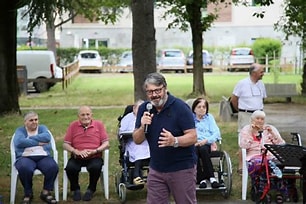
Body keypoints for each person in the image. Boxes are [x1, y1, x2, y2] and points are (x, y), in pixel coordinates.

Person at [133, 72, 197, 204]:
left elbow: (193, 137)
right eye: (150, 92)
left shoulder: (180, 107)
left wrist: (175, 141)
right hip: (156, 169)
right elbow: (137, 139)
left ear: (165, 88)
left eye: (158, 90)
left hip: (181, 169)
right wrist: (142, 127)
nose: (155, 95)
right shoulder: (145, 108)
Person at [63, 106, 109, 201]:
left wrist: (95, 150)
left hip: (94, 155)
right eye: (82, 115)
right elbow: (65, 144)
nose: (85, 117)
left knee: (95, 167)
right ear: (78, 116)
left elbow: (106, 143)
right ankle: (76, 189)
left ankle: (91, 189)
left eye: (88, 114)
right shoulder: (73, 126)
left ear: (91, 115)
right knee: (70, 168)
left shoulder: (99, 125)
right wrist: (76, 151)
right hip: (77, 156)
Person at [239, 110, 287, 201]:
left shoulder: (268, 129)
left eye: (262, 119)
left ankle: (279, 192)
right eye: (257, 118)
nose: (260, 121)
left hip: (269, 156)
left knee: (278, 164)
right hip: (254, 156)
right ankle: (262, 191)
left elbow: (282, 144)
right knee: (261, 164)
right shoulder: (246, 129)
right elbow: (243, 146)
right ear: (252, 120)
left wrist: (272, 133)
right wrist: (253, 133)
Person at [13, 111, 58, 204]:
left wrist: (28, 140)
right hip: (25, 157)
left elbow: (47, 137)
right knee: (25, 168)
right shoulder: (20, 130)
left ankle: (46, 192)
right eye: (31, 120)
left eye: (36, 119)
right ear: (25, 122)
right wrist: (38, 143)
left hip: (43, 156)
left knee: (52, 167)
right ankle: (28, 193)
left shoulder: (42, 128)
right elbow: (19, 142)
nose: (34, 122)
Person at [230, 63, 267, 174]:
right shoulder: (242, 83)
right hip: (245, 114)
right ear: (254, 73)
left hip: (259, 115)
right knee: (244, 140)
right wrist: (241, 111)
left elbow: (263, 99)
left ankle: (259, 163)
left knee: (260, 139)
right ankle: (241, 167)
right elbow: (234, 99)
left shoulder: (261, 84)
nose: (263, 74)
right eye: (261, 71)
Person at [191, 97, 224, 189]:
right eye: (199, 107)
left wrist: (206, 140)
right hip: (194, 144)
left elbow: (216, 133)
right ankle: (201, 179)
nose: (202, 109)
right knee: (194, 150)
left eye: (204, 107)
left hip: (207, 143)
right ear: (194, 109)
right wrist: (194, 142)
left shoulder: (209, 118)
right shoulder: (190, 119)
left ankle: (212, 178)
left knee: (203, 149)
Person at [119, 99, 150, 185]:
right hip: (132, 142)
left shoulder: (147, 117)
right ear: (134, 108)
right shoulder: (127, 118)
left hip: (147, 141)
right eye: (139, 109)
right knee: (138, 148)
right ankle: (136, 175)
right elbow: (122, 132)